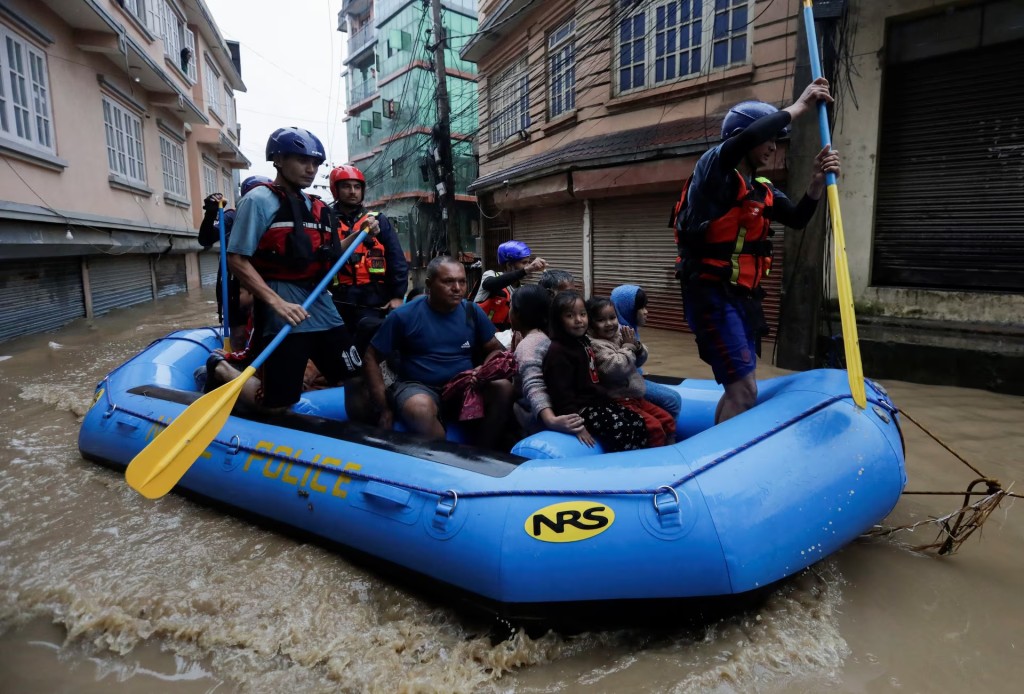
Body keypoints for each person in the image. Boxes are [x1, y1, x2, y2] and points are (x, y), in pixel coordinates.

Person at [673, 78, 841, 424]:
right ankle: (719, 465)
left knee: (741, 389)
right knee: (744, 391)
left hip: (743, 298)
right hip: (710, 294)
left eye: (776, 141)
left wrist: (814, 185)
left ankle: (718, 445)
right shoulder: (713, 169)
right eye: (768, 139)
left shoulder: (761, 189)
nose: (773, 147)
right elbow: (747, 137)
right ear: (743, 139)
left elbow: (796, 219)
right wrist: (799, 107)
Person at [223, 126, 379, 416]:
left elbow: (329, 258)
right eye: (302, 160)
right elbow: (237, 259)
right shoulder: (258, 201)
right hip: (282, 307)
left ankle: (359, 441)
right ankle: (221, 369)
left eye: (316, 163)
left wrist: (360, 233)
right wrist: (276, 303)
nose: (311, 169)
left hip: (320, 304)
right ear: (279, 160)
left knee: (355, 377)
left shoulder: (317, 207)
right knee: (278, 403)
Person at [363, 255, 514, 443]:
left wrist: (481, 371)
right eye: (448, 282)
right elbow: (371, 356)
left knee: (503, 387)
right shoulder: (404, 316)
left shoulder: (471, 312)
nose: (457, 288)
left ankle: (483, 453)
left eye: (462, 281)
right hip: (418, 387)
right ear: (429, 284)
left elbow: (495, 349)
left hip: (464, 386)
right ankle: (445, 461)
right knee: (420, 407)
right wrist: (384, 408)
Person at [542, 291, 648, 452]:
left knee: (638, 421)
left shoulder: (583, 341)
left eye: (582, 314)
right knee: (622, 430)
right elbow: (562, 394)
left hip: (597, 401)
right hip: (581, 409)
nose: (578, 320)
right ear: (558, 320)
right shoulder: (559, 351)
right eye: (570, 316)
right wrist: (578, 427)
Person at [327, 164, 409, 353]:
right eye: (346, 186)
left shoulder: (378, 220)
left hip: (374, 300)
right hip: (339, 299)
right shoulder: (326, 220)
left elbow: (396, 259)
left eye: (357, 187)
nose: (352, 192)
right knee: (343, 352)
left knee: (374, 350)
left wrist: (397, 296)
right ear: (336, 190)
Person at [586, 297, 676, 447]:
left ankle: (674, 449)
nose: (609, 323)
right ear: (591, 324)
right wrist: (628, 347)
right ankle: (655, 457)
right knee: (653, 427)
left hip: (636, 396)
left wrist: (638, 347)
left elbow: (639, 360)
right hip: (620, 400)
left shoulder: (621, 335)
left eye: (612, 317)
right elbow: (615, 368)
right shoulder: (596, 346)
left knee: (667, 420)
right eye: (601, 320)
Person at [198, 175, 271, 349]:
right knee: (238, 335)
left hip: (266, 279)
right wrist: (210, 213)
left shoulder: (277, 218)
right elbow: (205, 239)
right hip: (236, 282)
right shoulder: (232, 217)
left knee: (266, 330)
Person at [509, 284, 587, 437]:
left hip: (542, 416)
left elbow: (534, 384)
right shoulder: (554, 334)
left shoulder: (529, 345)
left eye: (510, 307)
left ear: (517, 313)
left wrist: (550, 419)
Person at [610, 284, 683, 419]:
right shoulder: (619, 333)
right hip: (627, 385)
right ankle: (670, 438)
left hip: (634, 378)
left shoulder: (629, 327)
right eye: (641, 308)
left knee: (674, 397)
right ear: (628, 309)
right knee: (673, 400)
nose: (646, 312)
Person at [474, 240, 548, 330]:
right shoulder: (490, 275)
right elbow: (490, 284)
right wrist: (526, 270)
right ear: (509, 265)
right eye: (524, 263)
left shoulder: (521, 290)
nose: (528, 266)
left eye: (529, 262)